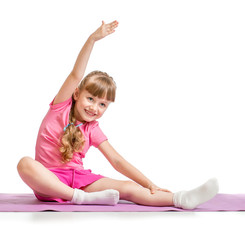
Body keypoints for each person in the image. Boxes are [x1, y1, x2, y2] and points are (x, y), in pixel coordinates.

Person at [17, 20, 219, 209]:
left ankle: (181, 198)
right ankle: (79, 198)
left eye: (102, 104)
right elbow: (76, 75)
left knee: (128, 187)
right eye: (90, 99)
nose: (94, 108)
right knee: (25, 164)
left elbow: (117, 161)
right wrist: (92, 39)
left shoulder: (92, 128)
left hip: (78, 179)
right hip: (49, 182)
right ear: (76, 94)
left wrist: (150, 183)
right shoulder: (60, 107)